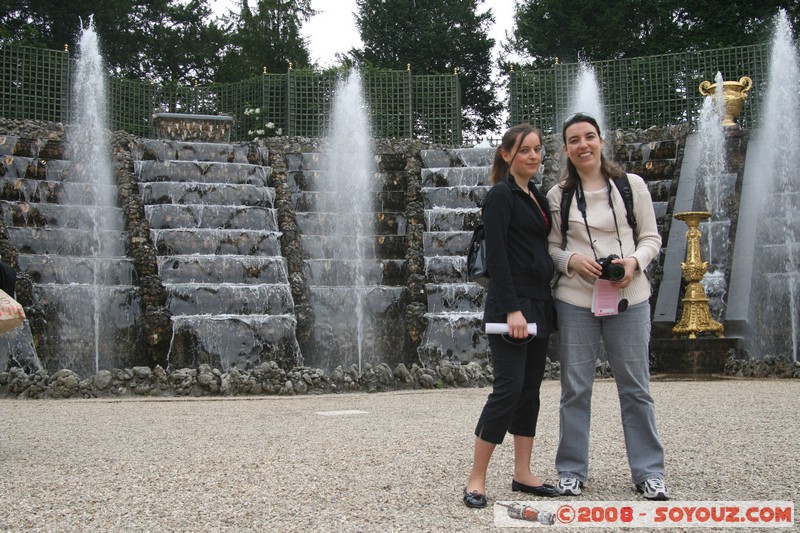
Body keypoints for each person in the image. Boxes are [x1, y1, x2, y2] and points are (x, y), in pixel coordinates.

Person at [546, 112, 668, 500]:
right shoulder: (558, 195)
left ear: (601, 141)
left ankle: (649, 472)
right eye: (575, 140)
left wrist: (633, 263)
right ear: (565, 149)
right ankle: (571, 471)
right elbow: (550, 246)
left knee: (636, 388)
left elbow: (651, 237)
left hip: (629, 298)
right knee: (575, 389)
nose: (583, 145)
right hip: (576, 300)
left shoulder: (632, 186)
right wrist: (571, 261)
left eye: (589, 137)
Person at [463, 124, 558, 508]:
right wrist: (512, 309)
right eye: (525, 150)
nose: (533, 156)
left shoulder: (535, 195)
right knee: (507, 389)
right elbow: (498, 257)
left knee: (530, 390)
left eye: (537, 150)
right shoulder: (501, 195)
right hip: (511, 306)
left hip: (539, 303)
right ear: (506, 155)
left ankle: (523, 473)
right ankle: (476, 478)